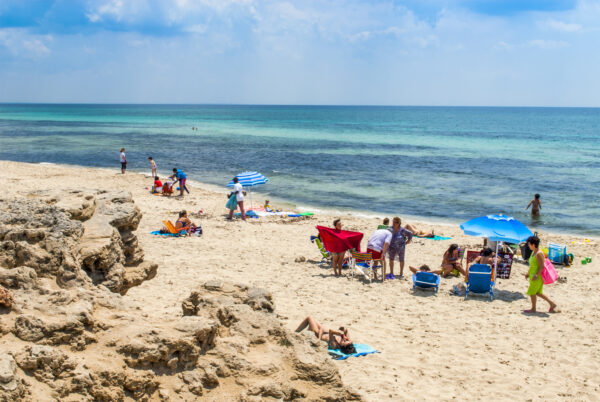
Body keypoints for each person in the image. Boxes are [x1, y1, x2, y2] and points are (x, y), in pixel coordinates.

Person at [524, 235, 559, 313]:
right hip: (532, 276)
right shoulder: (533, 252)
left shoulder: (539, 254)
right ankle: (552, 304)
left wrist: (536, 275)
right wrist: (528, 273)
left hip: (537, 277)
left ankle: (533, 309)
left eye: (529, 244)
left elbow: (541, 266)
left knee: (532, 292)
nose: (528, 245)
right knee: (538, 293)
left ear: (533, 244)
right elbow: (532, 265)